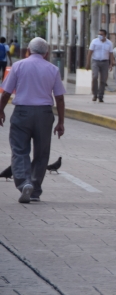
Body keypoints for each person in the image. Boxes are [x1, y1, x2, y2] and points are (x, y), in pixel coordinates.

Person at [0, 37, 66, 203]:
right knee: (42, 152)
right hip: (44, 114)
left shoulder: (18, 66)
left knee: (20, 150)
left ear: (27, 51)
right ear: (47, 53)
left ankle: (24, 183)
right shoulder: (52, 69)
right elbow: (59, 98)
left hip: (22, 112)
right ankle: (35, 189)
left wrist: (0, 110)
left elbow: (6, 93)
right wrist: (61, 122)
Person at [86, 29, 114, 102]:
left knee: (103, 80)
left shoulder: (109, 43)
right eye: (99, 34)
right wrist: (88, 63)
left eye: (101, 34)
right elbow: (90, 53)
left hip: (105, 62)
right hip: (95, 61)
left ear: (105, 35)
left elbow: (111, 54)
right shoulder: (94, 41)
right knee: (95, 76)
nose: (100, 36)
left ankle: (101, 96)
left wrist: (111, 64)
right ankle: (95, 94)